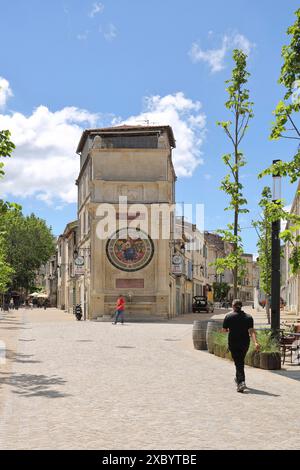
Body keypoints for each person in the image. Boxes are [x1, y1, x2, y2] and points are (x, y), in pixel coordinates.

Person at [222, 299, 259, 393]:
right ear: (241, 306)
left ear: (233, 306)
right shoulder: (248, 317)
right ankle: (238, 379)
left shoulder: (228, 316)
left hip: (233, 343)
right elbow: (251, 331)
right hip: (245, 343)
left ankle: (241, 382)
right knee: (240, 361)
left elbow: (224, 330)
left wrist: (230, 330)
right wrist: (255, 342)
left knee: (238, 363)